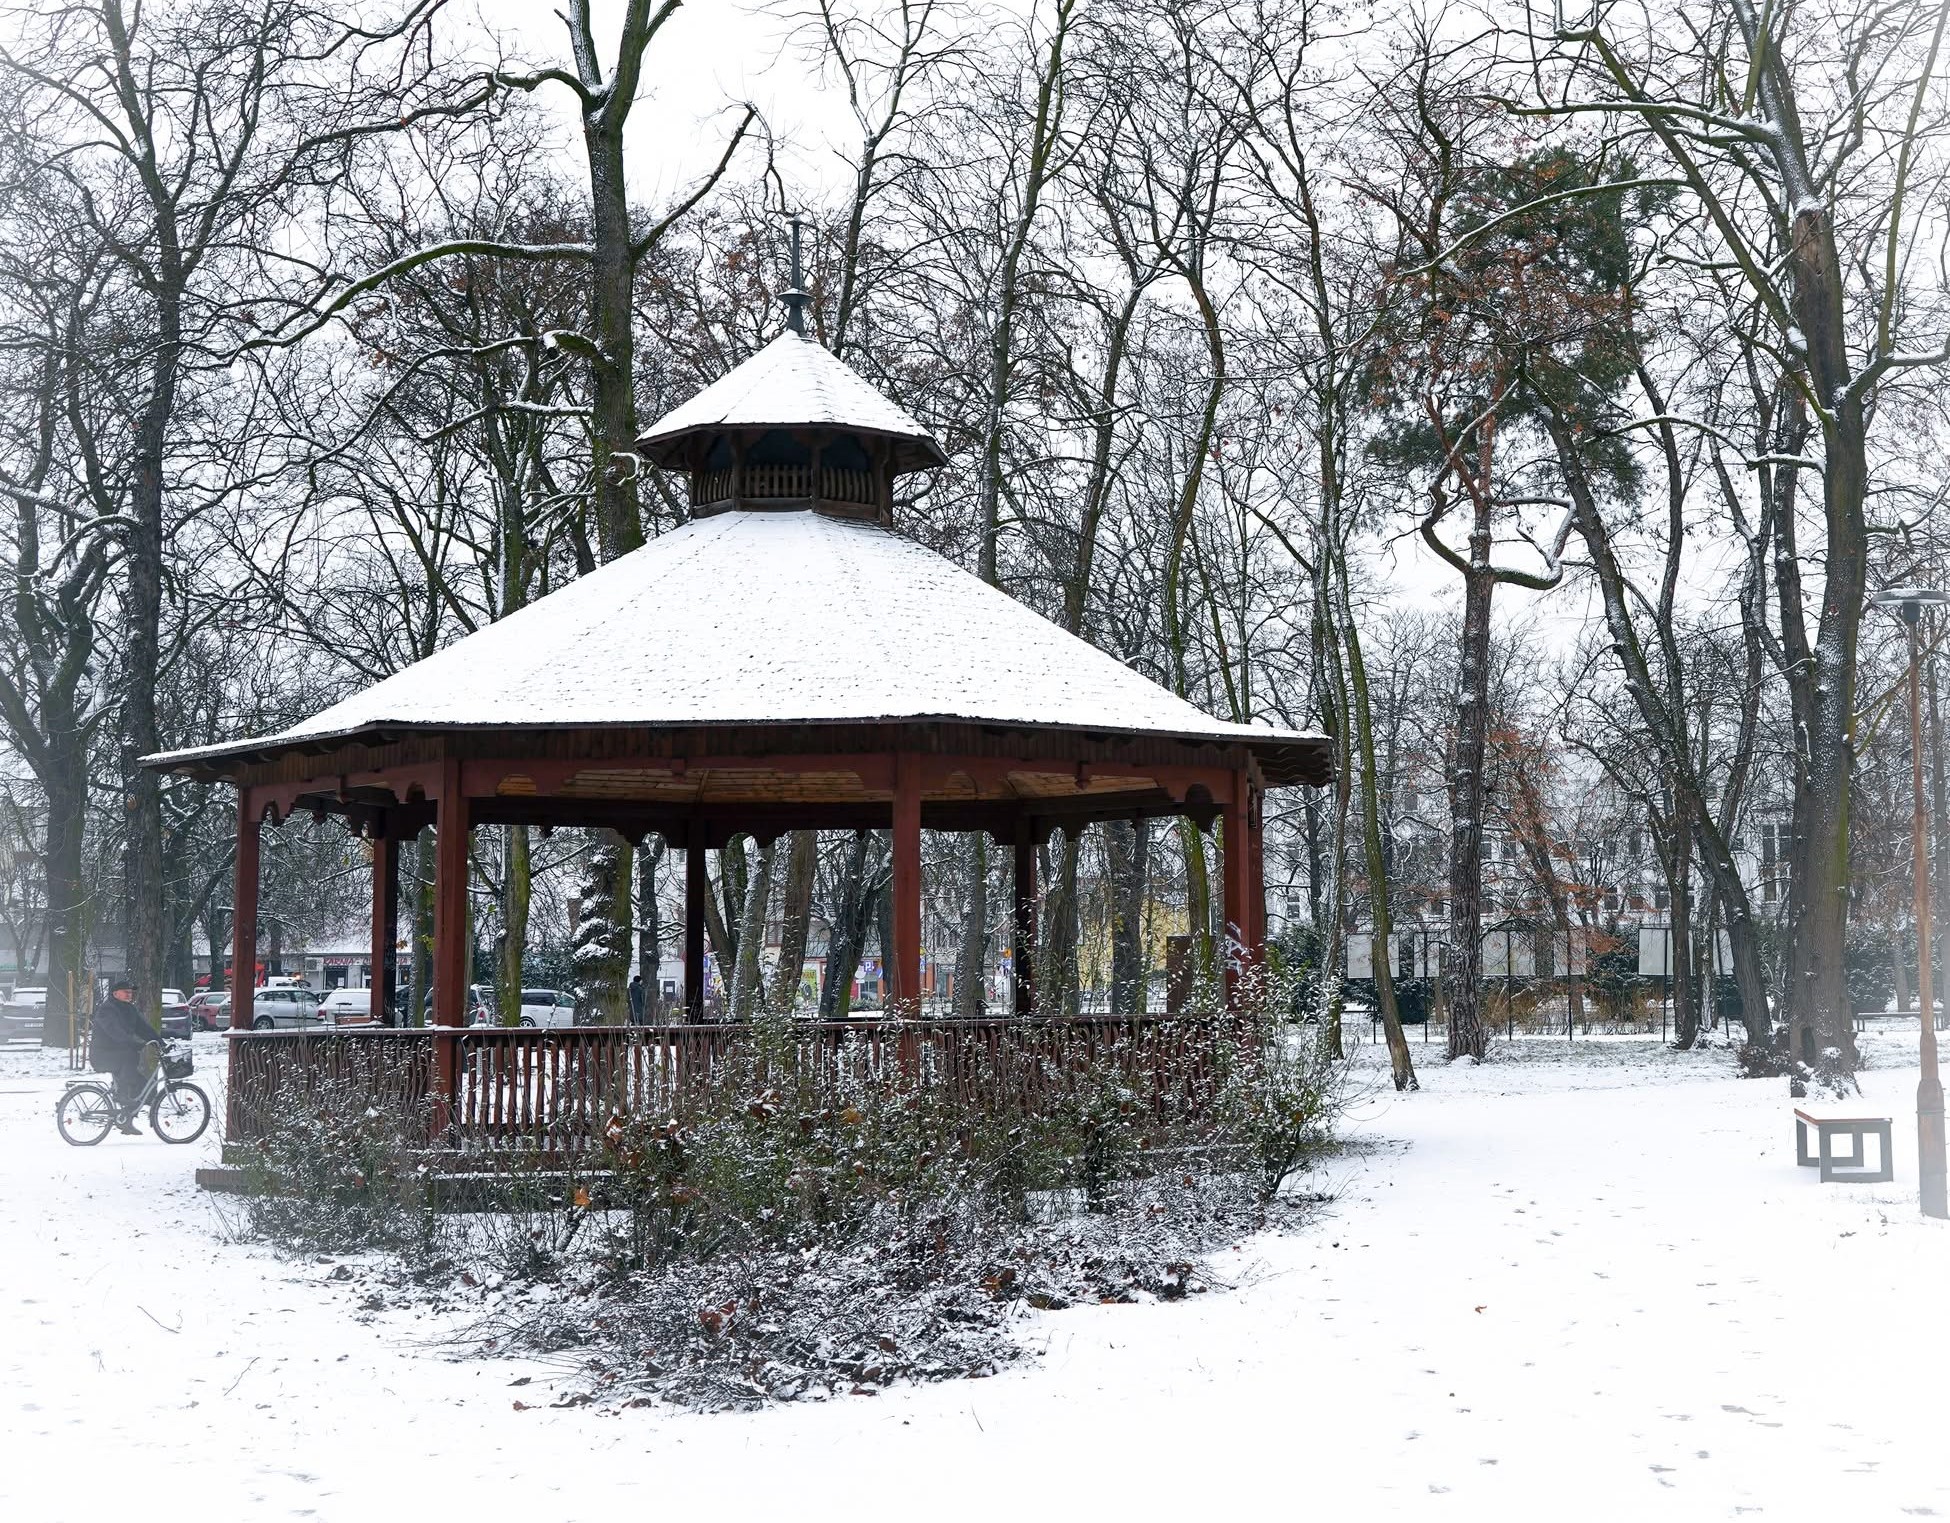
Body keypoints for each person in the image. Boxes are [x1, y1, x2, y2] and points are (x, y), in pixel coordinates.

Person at [90, 978, 155, 1133]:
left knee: (145, 1088)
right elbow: (114, 1031)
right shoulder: (107, 1009)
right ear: (115, 994)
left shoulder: (130, 1009)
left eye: (131, 992)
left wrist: (159, 1041)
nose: (129, 994)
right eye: (126, 992)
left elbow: (144, 1028)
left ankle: (126, 1120)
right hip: (102, 1055)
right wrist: (132, 1042)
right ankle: (121, 1094)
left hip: (119, 1054)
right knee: (129, 1056)